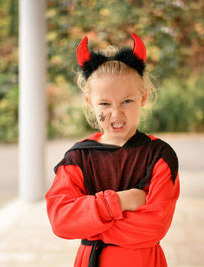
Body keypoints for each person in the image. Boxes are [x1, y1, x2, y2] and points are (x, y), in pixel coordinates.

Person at [45, 33, 180, 267]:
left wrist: (91, 226)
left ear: (143, 97)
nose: (116, 114)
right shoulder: (78, 158)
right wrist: (118, 202)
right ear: (90, 102)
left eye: (127, 101)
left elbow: (154, 227)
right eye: (105, 104)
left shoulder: (159, 156)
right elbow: (60, 220)